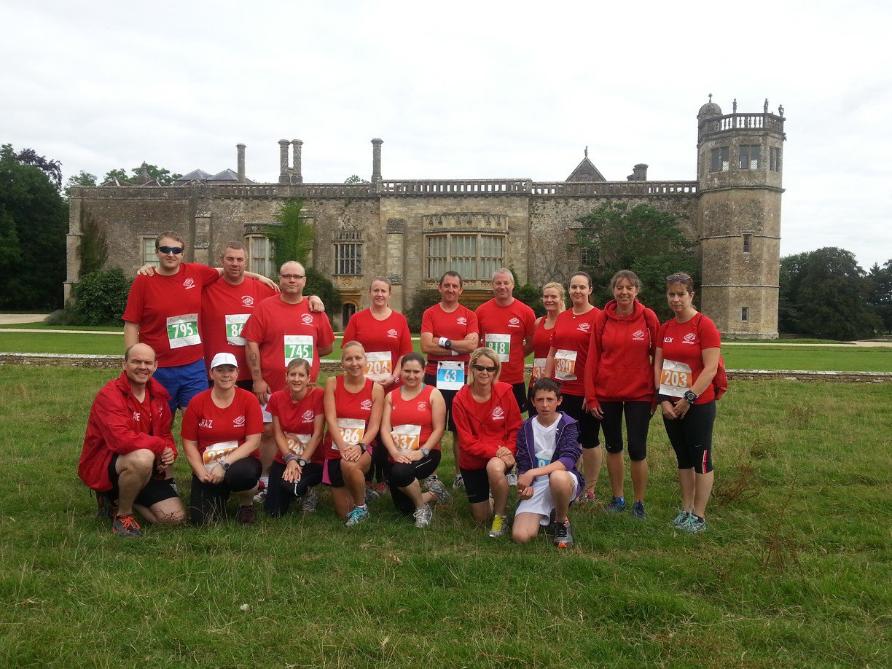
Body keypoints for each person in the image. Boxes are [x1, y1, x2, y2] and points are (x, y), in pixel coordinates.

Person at [78, 343, 185, 537]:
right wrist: (160, 446)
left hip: (146, 468)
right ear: (124, 364)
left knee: (174, 518)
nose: (143, 367)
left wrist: (169, 451)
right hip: (108, 463)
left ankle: (118, 497)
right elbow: (121, 441)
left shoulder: (159, 395)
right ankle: (123, 515)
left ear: (155, 366)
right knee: (142, 457)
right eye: (136, 362)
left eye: (148, 363)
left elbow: (165, 434)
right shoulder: (109, 395)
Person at [584, 270, 660, 518]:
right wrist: (591, 396)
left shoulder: (648, 317)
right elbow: (593, 357)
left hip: (640, 394)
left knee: (637, 449)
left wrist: (657, 394)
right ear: (613, 290)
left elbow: (659, 357)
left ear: (637, 290)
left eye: (629, 287)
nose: (624, 292)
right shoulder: (602, 318)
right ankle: (618, 498)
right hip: (607, 393)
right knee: (613, 446)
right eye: (620, 287)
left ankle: (639, 502)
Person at [123, 232, 222, 414]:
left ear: (182, 254)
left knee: (197, 421)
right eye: (165, 249)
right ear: (157, 252)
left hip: (193, 366)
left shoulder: (195, 272)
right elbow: (131, 324)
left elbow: (229, 270)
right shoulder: (143, 281)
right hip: (158, 368)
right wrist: (132, 363)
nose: (171, 254)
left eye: (176, 250)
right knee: (158, 423)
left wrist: (259, 277)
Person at [653, 272, 721, 533]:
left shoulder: (704, 325)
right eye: (671, 294)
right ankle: (686, 508)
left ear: (692, 295)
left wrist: (689, 398)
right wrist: (663, 400)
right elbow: (658, 365)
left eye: (681, 294)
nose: (676, 299)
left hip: (698, 404)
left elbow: (710, 368)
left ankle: (699, 515)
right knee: (683, 457)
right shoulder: (666, 328)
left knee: (700, 458)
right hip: (671, 404)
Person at [343, 276, 414, 495]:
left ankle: (384, 476)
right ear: (370, 293)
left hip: (390, 386)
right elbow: (348, 349)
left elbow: (405, 354)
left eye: (383, 291)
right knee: (365, 429)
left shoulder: (399, 320)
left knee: (386, 432)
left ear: (390, 294)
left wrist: (394, 376)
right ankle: (365, 475)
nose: (379, 294)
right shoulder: (357, 319)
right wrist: (361, 376)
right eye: (376, 290)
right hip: (363, 386)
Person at [181, 352, 264, 525]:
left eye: (230, 370)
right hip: (208, 466)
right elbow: (189, 443)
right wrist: (200, 470)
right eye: (220, 370)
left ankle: (246, 504)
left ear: (237, 373)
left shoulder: (249, 400)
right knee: (203, 521)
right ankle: (220, 493)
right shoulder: (197, 402)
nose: (226, 374)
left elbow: (254, 441)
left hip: (239, 462)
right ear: (211, 373)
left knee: (244, 475)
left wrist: (223, 465)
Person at [452, 347, 522, 538]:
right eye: (480, 367)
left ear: (496, 371)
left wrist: (508, 451)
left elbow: (515, 427)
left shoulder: (505, 392)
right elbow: (466, 442)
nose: (485, 372)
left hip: (501, 455)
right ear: (472, 369)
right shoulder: (460, 399)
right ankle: (493, 496)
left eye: (490, 369)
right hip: (473, 460)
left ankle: (500, 516)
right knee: (481, 518)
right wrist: (496, 451)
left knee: (494, 468)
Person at [544, 271, 602, 502]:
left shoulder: (598, 317)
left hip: (584, 390)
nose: (577, 291)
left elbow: (601, 357)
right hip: (562, 389)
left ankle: (590, 488)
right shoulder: (563, 317)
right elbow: (553, 352)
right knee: (567, 439)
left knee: (589, 439)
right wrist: (546, 384)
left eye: (582, 287)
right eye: (573, 287)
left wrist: (592, 391)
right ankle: (572, 481)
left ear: (590, 290)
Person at [420, 271, 479, 489]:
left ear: (461, 290)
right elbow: (426, 345)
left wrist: (442, 342)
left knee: (459, 429)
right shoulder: (430, 313)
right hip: (434, 374)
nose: (450, 289)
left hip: (461, 377)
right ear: (440, 287)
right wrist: (457, 346)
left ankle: (459, 474)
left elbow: (472, 345)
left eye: (455, 286)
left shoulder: (469, 315)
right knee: (432, 426)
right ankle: (431, 474)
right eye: (447, 285)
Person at [243, 260, 335, 398]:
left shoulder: (315, 310)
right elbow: (251, 344)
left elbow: (326, 347)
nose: (292, 280)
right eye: (287, 276)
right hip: (270, 390)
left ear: (304, 281)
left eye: (297, 276)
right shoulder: (264, 308)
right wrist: (257, 380)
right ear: (280, 279)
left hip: (307, 393)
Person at [379, 352, 449, 528]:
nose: (411, 376)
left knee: (400, 473)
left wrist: (422, 451)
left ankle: (422, 508)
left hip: (426, 453)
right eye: (407, 371)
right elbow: (385, 429)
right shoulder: (391, 396)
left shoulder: (433, 394)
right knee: (403, 508)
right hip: (398, 454)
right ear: (400, 371)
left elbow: (439, 429)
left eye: (416, 371)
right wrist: (394, 453)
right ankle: (434, 493)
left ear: (424, 371)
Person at [512, 379, 584, 548]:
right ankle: (550, 512)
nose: (545, 405)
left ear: (559, 401)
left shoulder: (568, 424)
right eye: (540, 400)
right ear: (533, 401)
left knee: (557, 477)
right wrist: (525, 484)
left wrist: (532, 473)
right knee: (521, 536)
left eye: (550, 399)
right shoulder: (526, 427)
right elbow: (523, 461)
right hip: (537, 483)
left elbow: (568, 460)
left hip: (564, 479)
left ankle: (561, 521)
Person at [322, 341, 385, 526]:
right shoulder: (332, 383)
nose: (354, 363)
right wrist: (343, 446)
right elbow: (330, 419)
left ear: (365, 360)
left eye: (358, 358)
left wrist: (360, 446)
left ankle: (361, 507)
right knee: (344, 513)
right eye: (349, 359)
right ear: (342, 362)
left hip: (362, 447)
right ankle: (362, 491)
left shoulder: (376, 389)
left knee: (349, 464)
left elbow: (374, 426)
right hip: (336, 447)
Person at [200, 241, 277, 389]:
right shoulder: (205, 288)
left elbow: (290, 301)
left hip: (252, 374)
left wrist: (311, 298)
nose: (235, 263)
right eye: (230, 259)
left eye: (239, 259)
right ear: (222, 261)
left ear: (246, 262)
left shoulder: (263, 289)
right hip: (218, 372)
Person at [264, 358, 325, 518]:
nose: (296, 379)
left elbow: (318, 434)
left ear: (308, 378)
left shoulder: (318, 395)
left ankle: (309, 492)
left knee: (292, 487)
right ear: (286, 376)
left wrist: (301, 462)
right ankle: (287, 490)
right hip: (285, 458)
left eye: (301, 375)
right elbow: (278, 433)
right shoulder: (276, 398)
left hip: (311, 460)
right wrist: (290, 459)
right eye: (292, 374)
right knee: (273, 511)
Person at [475, 268, 536, 415]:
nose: (502, 287)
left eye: (506, 283)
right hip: (487, 376)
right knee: (486, 417)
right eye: (498, 283)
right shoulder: (481, 311)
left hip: (513, 378)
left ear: (512, 285)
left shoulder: (526, 312)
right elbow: (475, 343)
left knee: (513, 419)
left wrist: (516, 354)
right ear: (492, 285)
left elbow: (532, 342)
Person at [528, 281, 565, 411]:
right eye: (546, 296)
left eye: (553, 296)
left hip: (559, 382)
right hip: (537, 380)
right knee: (535, 419)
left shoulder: (566, 322)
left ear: (561, 299)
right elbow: (531, 347)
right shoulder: (538, 322)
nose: (549, 300)